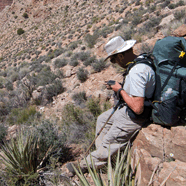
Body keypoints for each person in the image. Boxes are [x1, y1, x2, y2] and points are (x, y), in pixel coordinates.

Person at [66, 36, 155, 174]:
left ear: (120, 56)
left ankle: (83, 166)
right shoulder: (138, 62)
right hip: (127, 108)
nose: (114, 63)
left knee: (108, 143)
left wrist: (119, 89)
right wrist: (118, 87)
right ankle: (103, 156)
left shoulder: (137, 71)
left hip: (135, 116)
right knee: (102, 120)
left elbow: (138, 108)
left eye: (113, 60)